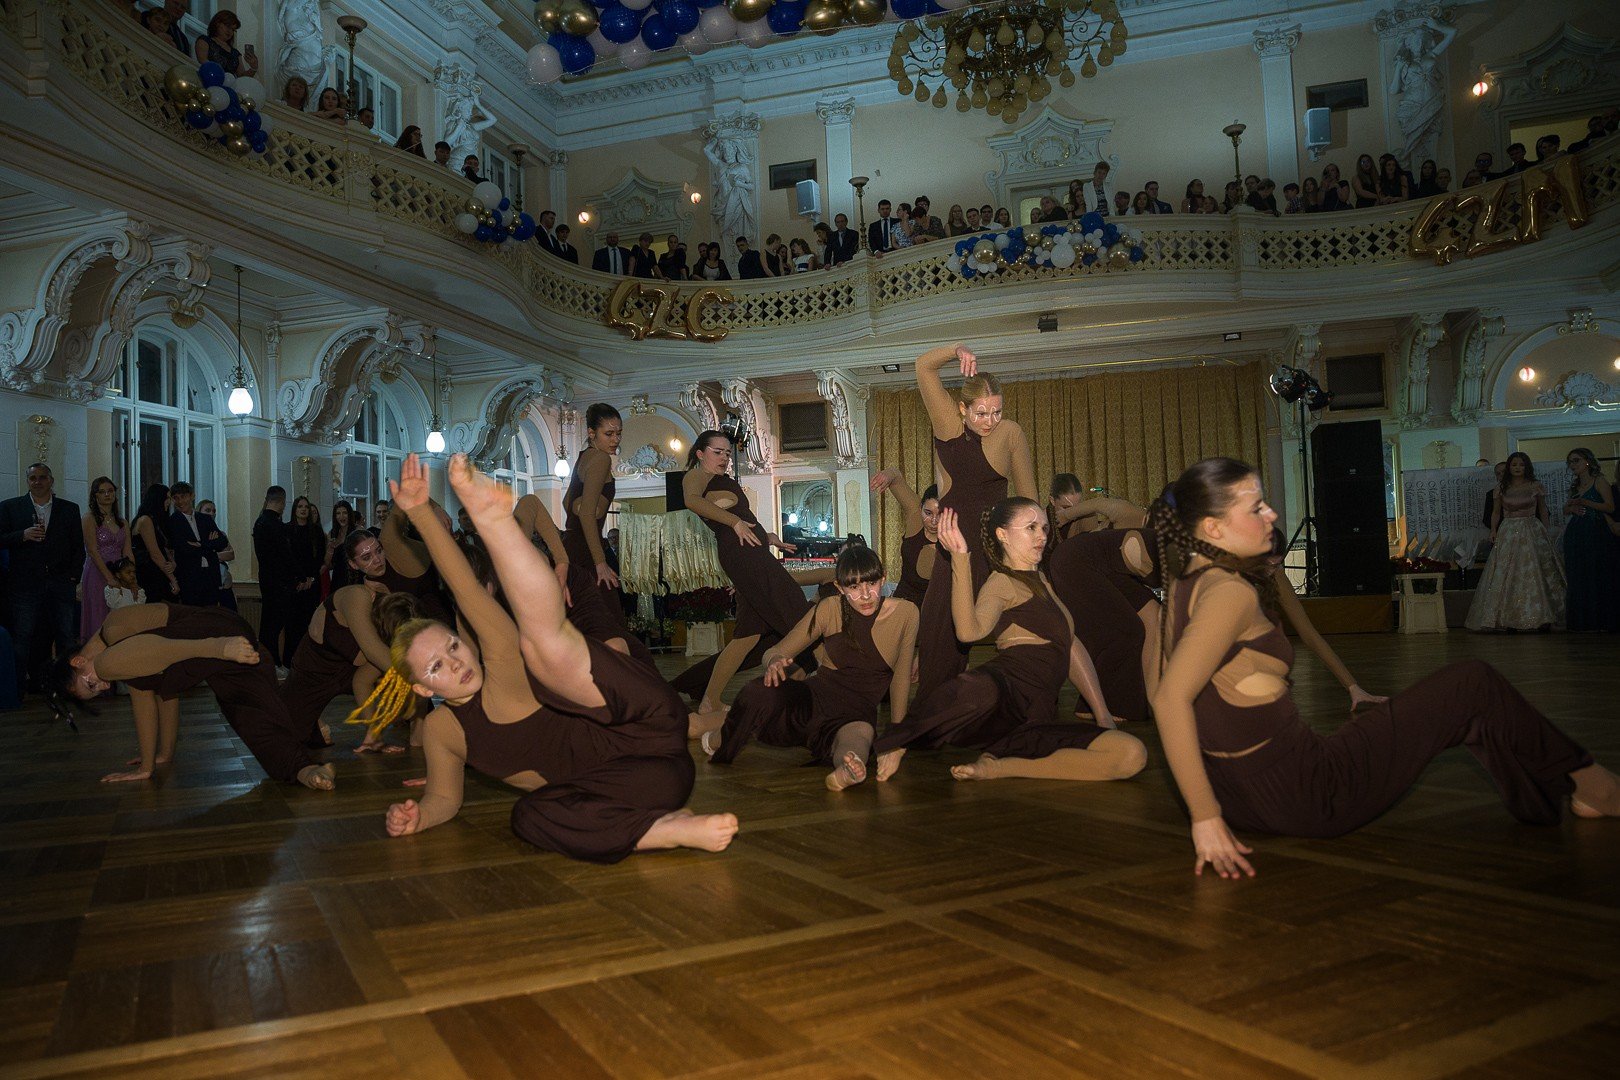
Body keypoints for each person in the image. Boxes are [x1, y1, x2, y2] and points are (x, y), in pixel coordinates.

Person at [1148, 457, 1619, 880]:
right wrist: (1205, 818)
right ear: (1212, 529)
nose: (1271, 515)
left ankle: (1551, 791)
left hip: (1245, 798)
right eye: (1256, 508)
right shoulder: (1230, 592)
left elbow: (1161, 691)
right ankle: (1594, 785)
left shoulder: (1185, 586)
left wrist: (1212, 804)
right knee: (1473, 682)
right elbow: (1170, 700)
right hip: (1309, 792)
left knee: (1452, 709)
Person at [373, 454, 739, 862]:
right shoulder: (442, 730)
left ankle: (498, 527)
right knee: (529, 816)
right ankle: (661, 830)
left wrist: (421, 514)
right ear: (422, 688)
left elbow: (466, 590)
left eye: (453, 647)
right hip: (651, 781)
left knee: (541, 646)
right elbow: (444, 797)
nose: (455, 662)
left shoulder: (502, 669)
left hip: (645, 725)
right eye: (436, 666)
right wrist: (420, 816)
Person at [874, 500, 1144, 785]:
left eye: (1044, 528)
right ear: (1002, 534)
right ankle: (898, 740)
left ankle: (1000, 766)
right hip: (1001, 700)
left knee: (1131, 754)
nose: (1042, 536)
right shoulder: (1001, 582)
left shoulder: (1042, 579)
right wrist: (959, 559)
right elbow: (968, 632)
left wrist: (1103, 715)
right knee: (976, 690)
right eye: (1031, 528)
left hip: (1035, 721)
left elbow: (1070, 645)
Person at [706, 545, 918, 791]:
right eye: (854, 587)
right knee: (757, 692)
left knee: (858, 739)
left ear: (883, 578)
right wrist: (774, 661)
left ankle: (848, 769)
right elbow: (775, 651)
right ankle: (717, 739)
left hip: (856, 713)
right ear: (840, 587)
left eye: (871, 583)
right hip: (812, 701)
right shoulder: (829, 608)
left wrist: (896, 738)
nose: (865, 595)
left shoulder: (906, 613)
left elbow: (901, 678)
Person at [60, 603, 334, 789]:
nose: (102, 686)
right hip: (225, 636)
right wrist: (162, 755)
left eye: (91, 685)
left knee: (251, 711)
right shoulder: (119, 652)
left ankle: (305, 740)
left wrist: (219, 647)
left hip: (213, 637)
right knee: (249, 716)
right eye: (95, 692)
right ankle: (306, 770)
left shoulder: (111, 642)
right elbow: (164, 695)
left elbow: (156, 663)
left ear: (78, 661)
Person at [912, 344, 1036, 706]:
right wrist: (955, 350)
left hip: (996, 551)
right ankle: (937, 712)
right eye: (981, 412)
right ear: (962, 408)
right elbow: (923, 367)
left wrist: (1031, 556)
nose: (990, 420)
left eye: (997, 411)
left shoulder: (1009, 433)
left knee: (1022, 632)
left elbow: (1028, 504)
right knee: (938, 635)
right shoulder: (948, 425)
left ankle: (1015, 704)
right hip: (953, 551)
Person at [681, 431, 815, 733]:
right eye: (717, 452)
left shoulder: (723, 481)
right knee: (795, 609)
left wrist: (768, 537)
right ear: (700, 453)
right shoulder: (696, 475)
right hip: (742, 555)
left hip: (752, 551)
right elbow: (691, 501)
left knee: (748, 634)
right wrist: (735, 522)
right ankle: (824, 680)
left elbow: (743, 517)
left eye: (728, 453)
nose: (724, 458)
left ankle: (709, 701)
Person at [282, 529, 403, 753]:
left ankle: (376, 737)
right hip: (311, 678)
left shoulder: (386, 592)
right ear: (353, 564)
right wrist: (418, 677)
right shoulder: (354, 595)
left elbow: (366, 672)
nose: (377, 559)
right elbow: (373, 651)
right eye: (366, 557)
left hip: (349, 674)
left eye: (378, 551)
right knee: (287, 737)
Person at [1, 463, 84, 693]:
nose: (37, 482)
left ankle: (69, 688)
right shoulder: (10, 507)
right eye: (33, 478)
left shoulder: (69, 508)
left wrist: (73, 577)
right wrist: (22, 535)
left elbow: (78, 547)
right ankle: (17, 690)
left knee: (66, 637)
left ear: (51, 480)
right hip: (24, 584)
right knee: (22, 638)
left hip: (61, 583)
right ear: (27, 481)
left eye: (42, 477)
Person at [1465, 453, 1564, 632]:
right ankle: (1507, 617)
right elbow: (1496, 512)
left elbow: (1543, 510)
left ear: (1527, 467)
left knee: (1535, 569)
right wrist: (1493, 530)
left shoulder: (1535, 486)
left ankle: (1543, 616)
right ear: (1509, 467)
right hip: (1509, 530)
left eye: (1521, 464)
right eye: (1514, 465)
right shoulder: (1501, 488)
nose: (1518, 468)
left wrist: (1546, 531)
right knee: (1508, 570)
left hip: (1532, 528)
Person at [1561, 448, 1618, 632]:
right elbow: (1565, 509)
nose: (1572, 465)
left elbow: (1610, 507)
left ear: (1587, 461)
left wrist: (1586, 502)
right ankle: (1581, 621)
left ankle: (1599, 620)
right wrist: (1571, 508)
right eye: (1570, 462)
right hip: (1576, 533)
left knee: (1596, 574)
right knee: (1577, 575)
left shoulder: (1599, 481)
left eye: (1576, 460)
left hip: (1596, 532)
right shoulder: (1575, 486)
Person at [869, 469, 938, 606]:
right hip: (903, 604)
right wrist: (888, 474)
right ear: (921, 508)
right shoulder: (916, 518)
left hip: (936, 609)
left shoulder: (958, 538)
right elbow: (896, 478)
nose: (934, 521)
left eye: (940, 514)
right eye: (928, 513)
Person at [80, 476, 133, 645]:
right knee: (99, 611)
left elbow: (128, 551)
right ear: (95, 496)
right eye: (102, 492)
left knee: (119, 613)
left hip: (120, 570)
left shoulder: (122, 522)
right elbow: (92, 550)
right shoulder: (89, 518)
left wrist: (131, 576)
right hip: (97, 571)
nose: (107, 495)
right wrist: (109, 577)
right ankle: (97, 651)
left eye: (110, 491)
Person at [254, 486, 296, 668]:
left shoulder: (260, 522)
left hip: (266, 579)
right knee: (274, 625)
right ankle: (270, 663)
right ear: (282, 502)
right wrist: (300, 576)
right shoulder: (275, 525)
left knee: (268, 624)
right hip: (280, 582)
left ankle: (267, 662)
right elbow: (286, 555)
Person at [165, 481, 227, 606]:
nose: (180, 501)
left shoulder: (205, 519)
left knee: (212, 612)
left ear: (192, 496)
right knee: (193, 613)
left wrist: (201, 544)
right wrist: (209, 544)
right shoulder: (172, 522)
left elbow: (222, 542)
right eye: (176, 498)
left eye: (183, 496)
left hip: (210, 575)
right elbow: (184, 548)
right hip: (189, 577)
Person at [287, 495, 325, 658]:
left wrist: (310, 578)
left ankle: (309, 660)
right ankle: (290, 660)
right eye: (300, 506)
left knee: (310, 622)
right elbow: (287, 559)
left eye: (306, 507)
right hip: (293, 584)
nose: (303, 509)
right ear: (294, 509)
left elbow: (319, 558)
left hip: (312, 583)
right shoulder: (287, 529)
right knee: (292, 625)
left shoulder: (316, 531)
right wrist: (299, 579)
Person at [131, 483, 178, 604]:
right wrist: (173, 579)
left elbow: (164, 547)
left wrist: (172, 562)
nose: (169, 502)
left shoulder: (156, 521)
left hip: (158, 570)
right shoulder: (145, 520)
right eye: (167, 498)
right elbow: (155, 553)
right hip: (149, 573)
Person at [196, 500, 237, 610]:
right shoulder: (195, 535)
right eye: (207, 510)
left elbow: (231, 554)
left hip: (224, 584)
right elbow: (198, 557)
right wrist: (213, 549)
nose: (212, 513)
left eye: (214, 511)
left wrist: (211, 556)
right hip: (206, 585)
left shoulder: (220, 534)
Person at [195, 10, 256, 77]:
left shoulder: (235, 53)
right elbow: (202, 62)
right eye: (227, 26)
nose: (230, 31)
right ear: (217, 23)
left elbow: (242, 77)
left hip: (230, 83)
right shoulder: (205, 41)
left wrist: (254, 68)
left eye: (233, 29)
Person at [326, 499, 362, 592]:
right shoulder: (332, 533)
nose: (341, 516)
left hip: (355, 577)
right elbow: (328, 564)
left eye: (344, 513)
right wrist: (330, 549)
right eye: (338, 513)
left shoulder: (358, 530)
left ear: (350, 514)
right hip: (337, 578)